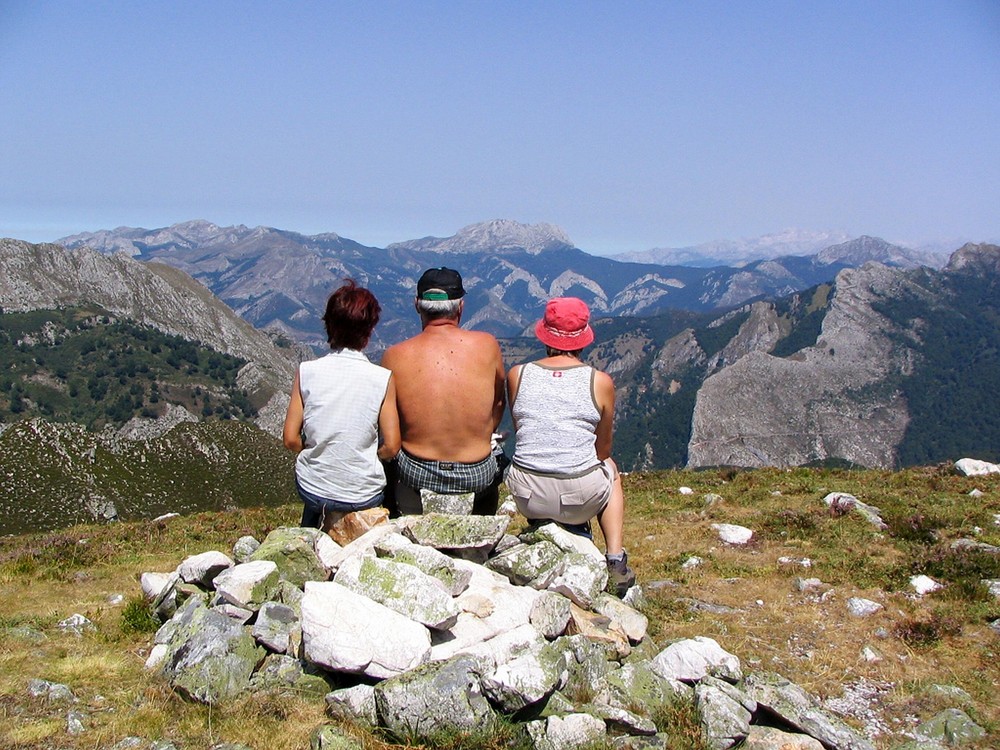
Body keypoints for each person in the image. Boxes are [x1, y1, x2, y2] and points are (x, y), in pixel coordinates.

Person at [504, 296, 636, 596]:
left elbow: (523, 432)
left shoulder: (518, 374)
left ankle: (545, 525)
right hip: (580, 499)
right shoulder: (599, 381)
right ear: (584, 338)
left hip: (527, 495)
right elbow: (602, 450)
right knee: (611, 469)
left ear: (544, 333)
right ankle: (615, 560)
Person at [380, 267, 506, 515]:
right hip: (475, 472)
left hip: (417, 472)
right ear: (461, 307)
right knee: (500, 452)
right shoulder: (488, 345)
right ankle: (481, 525)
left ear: (417, 305)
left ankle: (398, 518)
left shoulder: (394, 355)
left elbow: (390, 425)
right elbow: (499, 404)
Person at [283, 279, 400, 529]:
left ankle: (311, 535)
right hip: (364, 494)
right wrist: (369, 456)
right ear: (369, 331)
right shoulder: (382, 378)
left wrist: (315, 449)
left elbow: (290, 439)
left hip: (313, 489)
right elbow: (392, 446)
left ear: (329, 325)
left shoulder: (306, 371)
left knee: (317, 491)